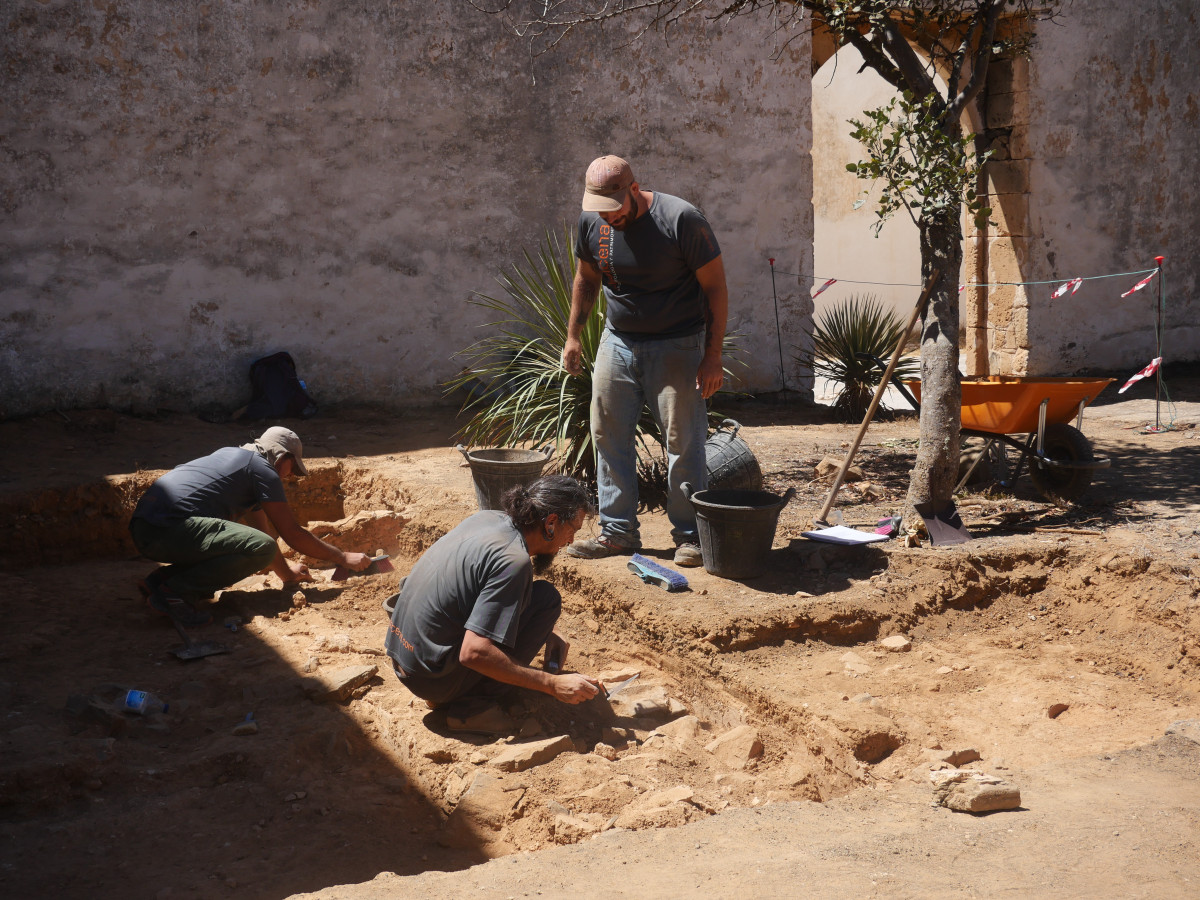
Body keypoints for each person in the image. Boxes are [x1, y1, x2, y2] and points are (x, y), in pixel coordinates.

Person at [562, 154, 729, 567]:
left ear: (633, 191)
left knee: (683, 440)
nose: (607, 217)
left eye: (613, 208)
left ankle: (690, 536)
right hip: (617, 341)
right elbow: (586, 278)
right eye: (599, 209)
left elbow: (716, 288)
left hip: (678, 343)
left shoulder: (682, 219)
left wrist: (712, 355)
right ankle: (618, 532)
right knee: (608, 434)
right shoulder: (592, 221)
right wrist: (573, 336)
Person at [384, 475, 600, 710]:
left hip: (401, 658)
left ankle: (457, 691)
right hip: (432, 680)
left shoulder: (486, 518)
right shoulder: (513, 562)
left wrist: (547, 630)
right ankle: (473, 706)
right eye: (572, 530)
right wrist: (551, 683)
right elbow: (473, 652)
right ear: (551, 523)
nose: (571, 541)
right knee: (547, 601)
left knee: (543, 599)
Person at [129, 426, 371, 626]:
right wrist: (342, 557)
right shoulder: (262, 470)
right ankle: (174, 593)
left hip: (146, 528)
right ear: (280, 456)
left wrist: (287, 574)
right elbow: (291, 534)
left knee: (255, 543)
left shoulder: (238, 462)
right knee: (260, 548)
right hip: (168, 527)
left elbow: (262, 535)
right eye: (293, 468)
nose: (290, 476)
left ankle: (159, 581)